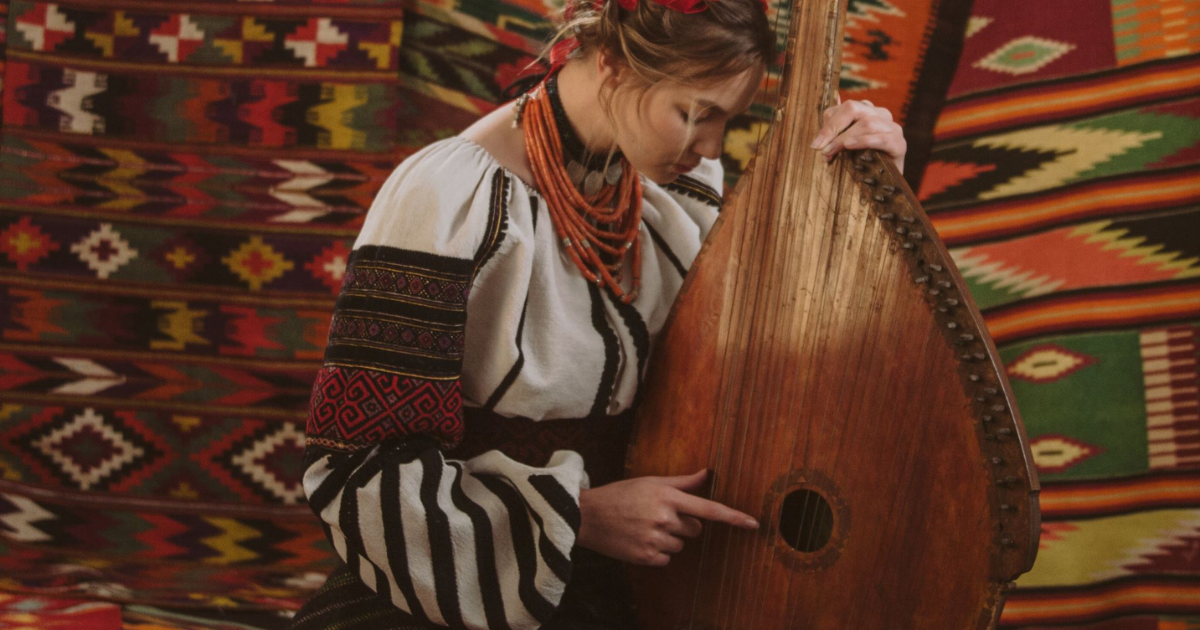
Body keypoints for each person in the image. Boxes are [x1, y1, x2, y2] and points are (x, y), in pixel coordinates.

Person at [289, 0, 907, 626]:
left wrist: (868, 187)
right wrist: (578, 516)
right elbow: (358, 466)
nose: (712, 145)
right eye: (697, 113)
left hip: (656, 566)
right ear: (612, 64)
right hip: (476, 572)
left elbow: (785, 344)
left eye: (729, 120)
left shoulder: (672, 189)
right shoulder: (450, 198)